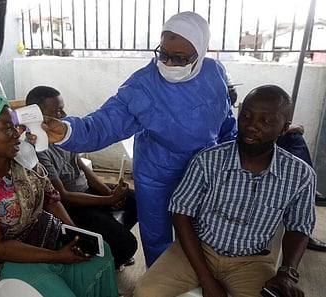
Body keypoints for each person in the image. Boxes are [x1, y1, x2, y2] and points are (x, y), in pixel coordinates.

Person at [41, 11, 237, 266]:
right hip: (158, 172)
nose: (169, 63)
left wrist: (232, 158)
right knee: (157, 232)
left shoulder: (213, 73)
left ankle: (201, 275)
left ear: (200, 53)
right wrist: (68, 131)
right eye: (163, 54)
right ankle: (161, 279)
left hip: (204, 169)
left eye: (180, 58)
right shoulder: (143, 85)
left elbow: (226, 121)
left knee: (205, 226)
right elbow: (104, 123)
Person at [134, 85, 316, 297]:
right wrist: (206, 278)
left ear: (284, 129)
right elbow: (181, 215)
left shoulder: (300, 175)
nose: (251, 126)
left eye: (266, 121)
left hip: (251, 261)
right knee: (145, 291)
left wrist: (287, 272)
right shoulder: (208, 160)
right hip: (198, 250)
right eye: (246, 116)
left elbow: (299, 226)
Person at [0, 93, 119, 297]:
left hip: (38, 236)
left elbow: (51, 198)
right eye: (8, 127)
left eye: (15, 126)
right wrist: (57, 256)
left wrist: (75, 235)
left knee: (99, 254)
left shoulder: (23, 160)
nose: (17, 133)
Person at [26, 85, 138, 269]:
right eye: (56, 112)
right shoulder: (37, 148)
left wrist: (110, 194)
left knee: (135, 200)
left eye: (62, 108)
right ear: (38, 116)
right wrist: (108, 199)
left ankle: (111, 242)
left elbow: (82, 167)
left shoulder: (60, 135)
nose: (63, 115)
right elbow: (63, 195)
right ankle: (106, 263)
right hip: (73, 205)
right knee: (128, 245)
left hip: (86, 192)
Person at [227, 76, 326, 252]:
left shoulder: (231, 109)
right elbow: (232, 134)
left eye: (232, 91)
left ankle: (306, 188)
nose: (232, 95)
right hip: (236, 146)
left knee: (294, 139)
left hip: (260, 143)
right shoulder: (218, 111)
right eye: (229, 92)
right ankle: (308, 191)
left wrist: (285, 128)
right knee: (289, 137)